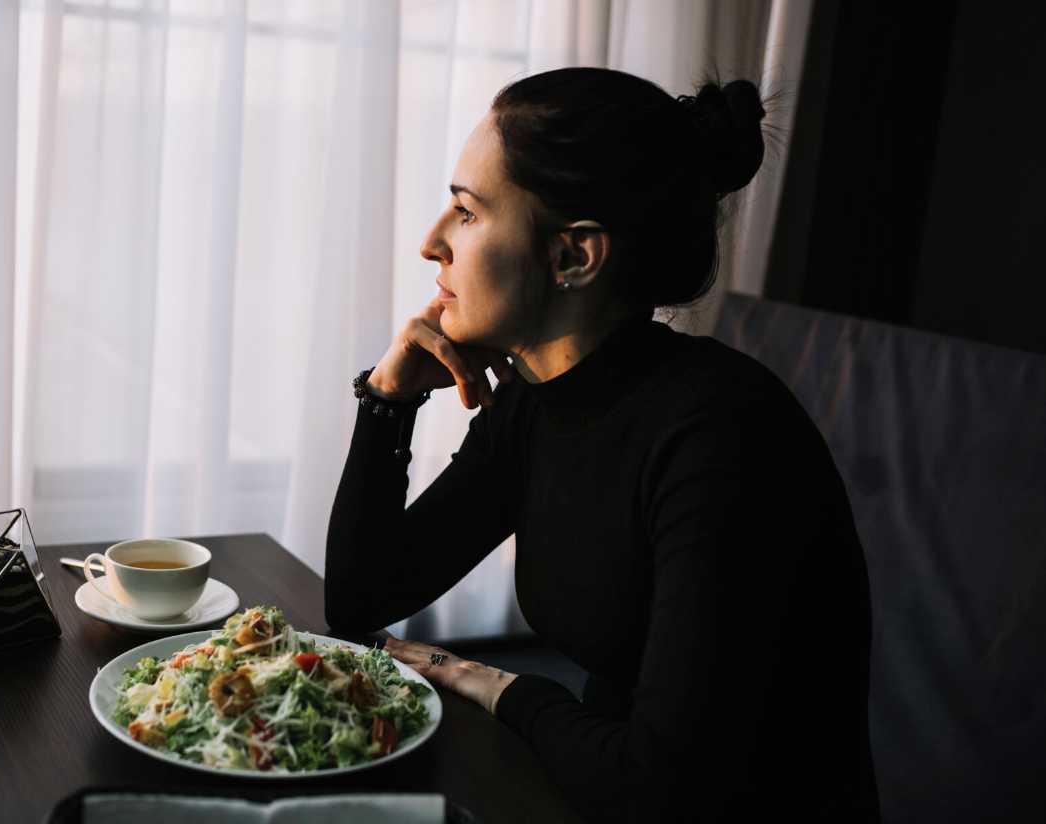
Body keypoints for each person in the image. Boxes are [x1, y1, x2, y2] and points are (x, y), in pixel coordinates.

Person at [324, 67, 880, 823]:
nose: (431, 245)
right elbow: (362, 595)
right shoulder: (538, 398)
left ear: (575, 257)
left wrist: (501, 687)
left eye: (466, 213)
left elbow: (665, 784)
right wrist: (389, 398)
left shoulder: (722, 437)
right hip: (594, 787)